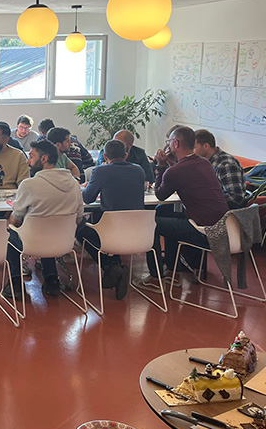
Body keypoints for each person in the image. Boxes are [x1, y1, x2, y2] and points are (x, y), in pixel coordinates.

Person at [141, 126, 229, 289]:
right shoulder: (204, 163)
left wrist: (161, 166)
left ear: (176, 143)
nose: (167, 145)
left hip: (203, 230)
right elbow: (183, 172)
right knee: (165, 213)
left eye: (169, 141)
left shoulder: (176, 171)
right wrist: (169, 164)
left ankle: (155, 277)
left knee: (151, 223)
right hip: (223, 227)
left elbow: (160, 194)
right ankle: (173, 271)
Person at [4, 139, 83, 298]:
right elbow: (79, 218)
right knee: (48, 232)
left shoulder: (29, 185)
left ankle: (15, 284)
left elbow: (16, 220)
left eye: (31, 156)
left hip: (33, 243)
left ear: (44, 158)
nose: (28, 161)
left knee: (10, 234)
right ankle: (52, 279)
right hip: (63, 243)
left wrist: (9, 224)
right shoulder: (74, 184)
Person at [79, 139, 146, 300]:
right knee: (100, 216)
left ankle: (111, 266)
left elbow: (88, 198)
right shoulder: (139, 170)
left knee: (81, 230)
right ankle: (114, 267)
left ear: (105, 156)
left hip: (111, 228)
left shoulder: (100, 171)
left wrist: (84, 187)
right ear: (125, 155)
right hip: (138, 231)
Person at [194, 129, 246, 209]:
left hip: (223, 213)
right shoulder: (204, 161)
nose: (191, 152)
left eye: (194, 147)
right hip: (206, 208)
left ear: (206, 146)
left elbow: (235, 198)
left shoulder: (226, 164)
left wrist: (205, 198)